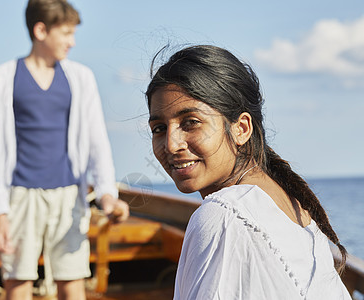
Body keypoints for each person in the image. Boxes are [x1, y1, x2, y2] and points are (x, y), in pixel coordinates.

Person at [146, 45, 351, 299]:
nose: (171, 144)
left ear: (241, 128)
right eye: (159, 128)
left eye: (191, 122)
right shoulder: (292, 205)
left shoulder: (223, 215)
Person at [0, 0, 129, 299]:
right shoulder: (0, 80)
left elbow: (97, 141)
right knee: (18, 281)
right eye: (65, 33)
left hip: (68, 197)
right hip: (19, 197)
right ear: (41, 30)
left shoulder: (80, 78)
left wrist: (106, 193)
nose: (72, 42)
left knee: (72, 280)